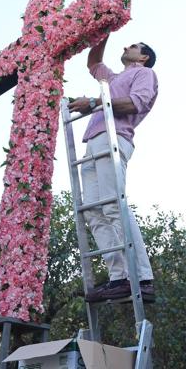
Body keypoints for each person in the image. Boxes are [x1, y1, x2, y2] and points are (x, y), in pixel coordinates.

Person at [67, 34, 158, 303]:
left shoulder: (144, 74)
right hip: (93, 141)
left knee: (113, 206)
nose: (126, 47)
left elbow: (134, 103)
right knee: (93, 211)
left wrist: (94, 102)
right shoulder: (115, 77)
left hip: (114, 135)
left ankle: (142, 277)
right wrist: (102, 30)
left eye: (133, 46)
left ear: (143, 56)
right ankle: (119, 278)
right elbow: (94, 62)